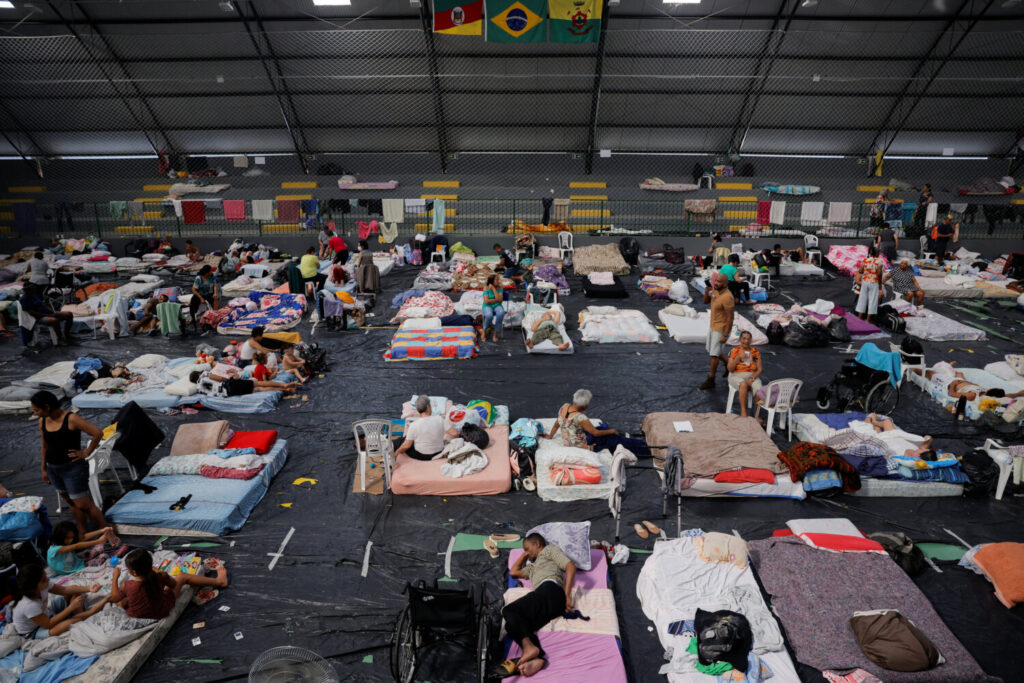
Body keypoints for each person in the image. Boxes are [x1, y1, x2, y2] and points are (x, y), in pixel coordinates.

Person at [499, 533, 576, 678]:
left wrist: (567, 595)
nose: (526, 553)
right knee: (512, 625)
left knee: (509, 610)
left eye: (527, 548)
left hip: (551, 590)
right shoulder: (532, 567)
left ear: (537, 544)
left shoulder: (549, 550)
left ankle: (529, 648)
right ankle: (538, 657)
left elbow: (570, 566)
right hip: (550, 605)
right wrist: (525, 556)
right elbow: (514, 572)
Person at [31, 390, 107, 535]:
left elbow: (97, 432)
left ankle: (106, 532)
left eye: (37, 410)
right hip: (53, 469)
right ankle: (82, 531)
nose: (35, 413)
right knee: (71, 503)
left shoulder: (71, 419)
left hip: (72, 469)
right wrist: (44, 469)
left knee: (84, 504)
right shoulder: (43, 420)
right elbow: (44, 446)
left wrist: (86, 452)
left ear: (47, 407)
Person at [109, 548, 228, 621]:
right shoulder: (158, 576)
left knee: (121, 599)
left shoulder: (128, 585)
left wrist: (115, 578)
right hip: (158, 610)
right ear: (151, 564)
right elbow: (173, 583)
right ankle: (218, 581)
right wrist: (159, 572)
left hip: (137, 614)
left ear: (133, 572)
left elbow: (115, 598)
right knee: (182, 576)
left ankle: (220, 581)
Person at [11, 564, 106, 637]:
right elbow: (48, 623)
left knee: (76, 593)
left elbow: (64, 590)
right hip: (35, 630)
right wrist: (71, 607)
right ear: (33, 588)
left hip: (47, 613)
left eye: (46, 576)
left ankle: (78, 616)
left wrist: (89, 588)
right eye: (44, 580)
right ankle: (80, 616)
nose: (48, 580)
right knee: (71, 622)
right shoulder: (28, 605)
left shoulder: (42, 586)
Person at [545, 389, 649, 455]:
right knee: (612, 439)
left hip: (569, 440)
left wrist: (550, 436)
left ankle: (638, 444)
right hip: (581, 444)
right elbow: (596, 433)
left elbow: (557, 423)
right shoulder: (580, 417)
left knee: (604, 430)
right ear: (584, 405)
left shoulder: (564, 406)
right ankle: (645, 449)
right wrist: (612, 431)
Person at [395, 395, 458, 461]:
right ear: (428, 407)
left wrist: (397, 453)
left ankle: (389, 448)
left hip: (421, 456)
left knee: (402, 441)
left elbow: (406, 446)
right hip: (438, 452)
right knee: (406, 440)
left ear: (418, 409)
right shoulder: (440, 419)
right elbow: (455, 433)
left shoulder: (414, 425)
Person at [700, 273, 735, 390]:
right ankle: (728, 363)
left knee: (713, 355)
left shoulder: (728, 297)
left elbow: (730, 318)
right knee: (712, 350)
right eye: (716, 281)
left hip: (721, 328)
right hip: (712, 326)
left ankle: (711, 379)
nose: (716, 283)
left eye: (719, 281)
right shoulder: (715, 291)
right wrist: (707, 291)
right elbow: (705, 301)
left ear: (725, 283)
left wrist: (725, 335)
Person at [47, 521, 121, 575]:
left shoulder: (66, 541)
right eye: (67, 538)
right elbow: (76, 546)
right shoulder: (55, 549)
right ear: (59, 537)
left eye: (72, 537)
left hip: (76, 560)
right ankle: (118, 553)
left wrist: (102, 530)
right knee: (104, 556)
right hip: (73, 569)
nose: (71, 540)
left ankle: (114, 552)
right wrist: (98, 541)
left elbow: (83, 537)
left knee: (99, 547)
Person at [190, 367, 298, 397]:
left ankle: (285, 389)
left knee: (258, 389)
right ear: (198, 374)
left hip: (228, 393)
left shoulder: (199, 389)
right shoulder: (204, 375)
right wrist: (229, 378)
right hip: (228, 385)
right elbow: (218, 378)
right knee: (258, 383)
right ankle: (283, 384)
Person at [726, 331, 763, 418]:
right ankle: (743, 411)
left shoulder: (755, 351)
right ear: (740, 339)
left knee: (759, 389)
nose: (746, 341)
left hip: (751, 375)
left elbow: (760, 369)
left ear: (751, 341)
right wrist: (738, 358)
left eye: (748, 339)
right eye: (744, 338)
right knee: (743, 385)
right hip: (736, 375)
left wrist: (752, 378)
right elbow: (730, 369)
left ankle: (757, 413)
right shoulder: (734, 351)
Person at [855, 246, 884, 323]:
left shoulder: (865, 260)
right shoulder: (879, 261)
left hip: (865, 282)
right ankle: (868, 320)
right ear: (877, 253)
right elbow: (879, 274)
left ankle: (859, 318)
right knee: (872, 300)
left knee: (862, 299)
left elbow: (860, 270)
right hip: (874, 282)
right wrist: (880, 285)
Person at [190, 265, 220, 332]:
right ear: (207, 272)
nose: (211, 272)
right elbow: (194, 289)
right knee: (193, 303)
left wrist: (215, 293)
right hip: (199, 294)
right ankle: (192, 318)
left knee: (215, 299)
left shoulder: (211, 277)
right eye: (210, 271)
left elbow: (215, 285)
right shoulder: (198, 278)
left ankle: (215, 315)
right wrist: (201, 298)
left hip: (209, 294)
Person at [481, 274, 505, 342]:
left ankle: (495, 333)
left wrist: (494, 289)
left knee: (501, 313)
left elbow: (500, 300)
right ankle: (484, 331)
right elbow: (486, 301)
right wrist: (496, 300)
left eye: (498, 279)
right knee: (489, 315)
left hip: (497, 305)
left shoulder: (500, 288)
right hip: (487, 306)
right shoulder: (486, 288)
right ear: (492, 281)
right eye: (496, 279)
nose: (498, 281)